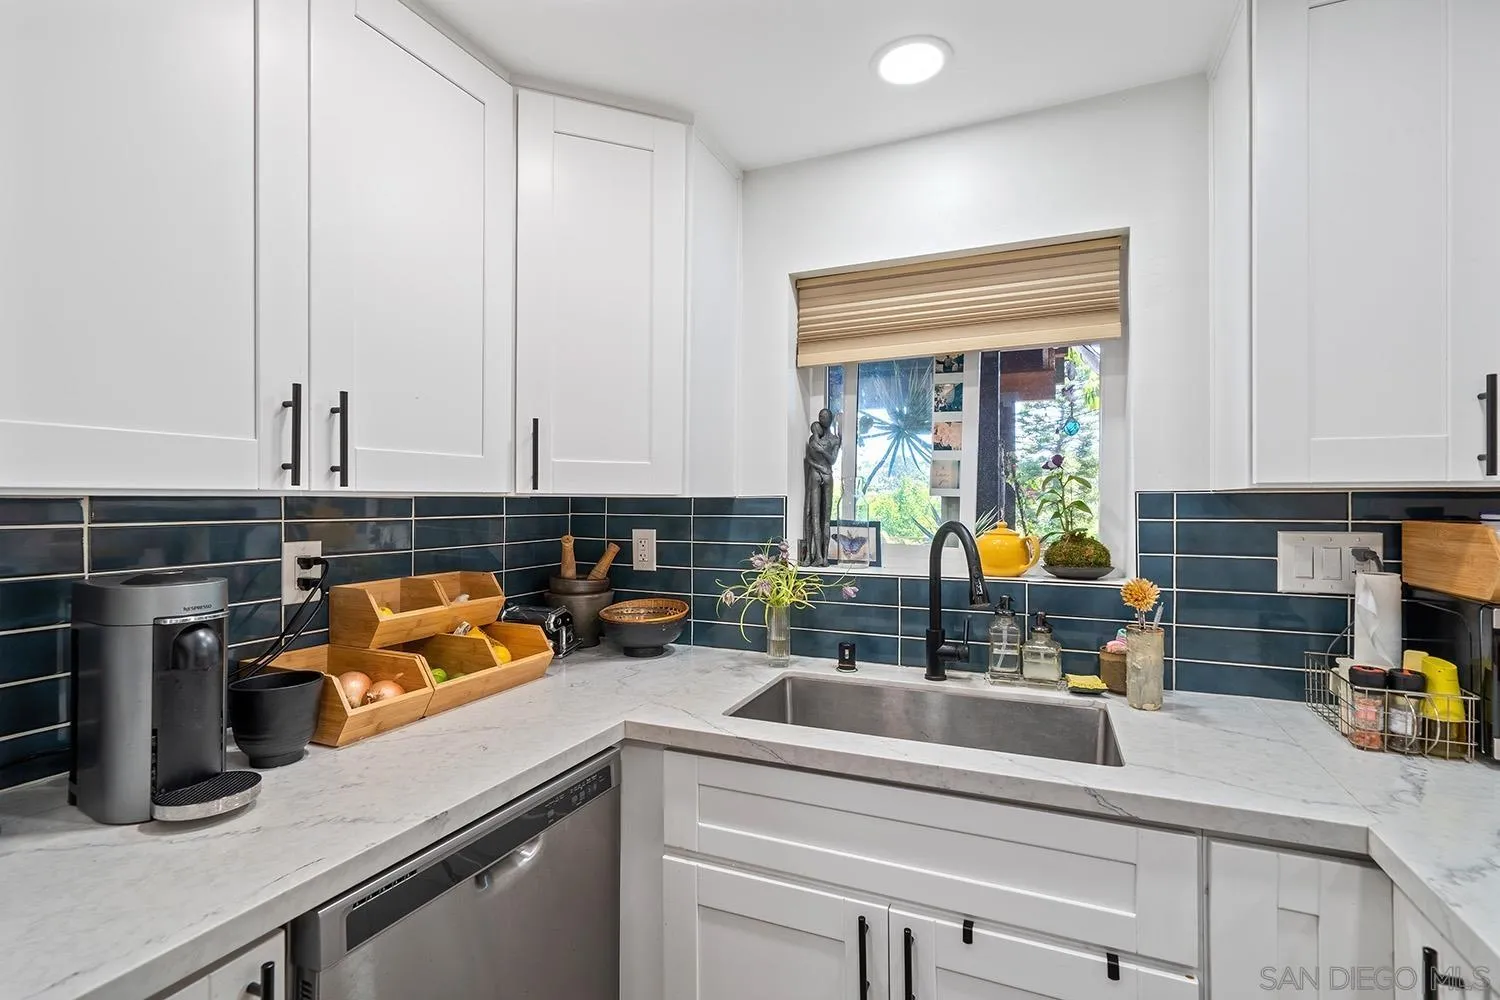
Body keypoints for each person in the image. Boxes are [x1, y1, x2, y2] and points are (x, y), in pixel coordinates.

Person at [802, 408, 841, 566]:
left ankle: (824, 557)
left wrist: (822, 451)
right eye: (820, 416)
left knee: (826, 518)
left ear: (830, 419)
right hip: (816, 474)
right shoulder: (813, 439)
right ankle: (816, 555)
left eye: (824, 416)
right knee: (814, 516)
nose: (821, 418)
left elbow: (832, 460)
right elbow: (808, 459)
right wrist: (818, 466)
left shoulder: (834, 440)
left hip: (827, 475)